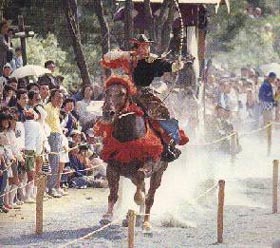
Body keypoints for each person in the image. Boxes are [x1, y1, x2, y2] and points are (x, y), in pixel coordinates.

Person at [101, 34, 188, 162]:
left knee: (161, 113)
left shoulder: (151, 60)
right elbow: (107, 59)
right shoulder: (129, 56)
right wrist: (120, 54)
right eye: (142, 46)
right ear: (136, 47)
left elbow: (165, 65)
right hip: (126, 90)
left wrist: (176, 65)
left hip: (143, 92)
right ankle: (107, 143)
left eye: (147, 46)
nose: (145, 49)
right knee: (110, 108)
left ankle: (166, 146)